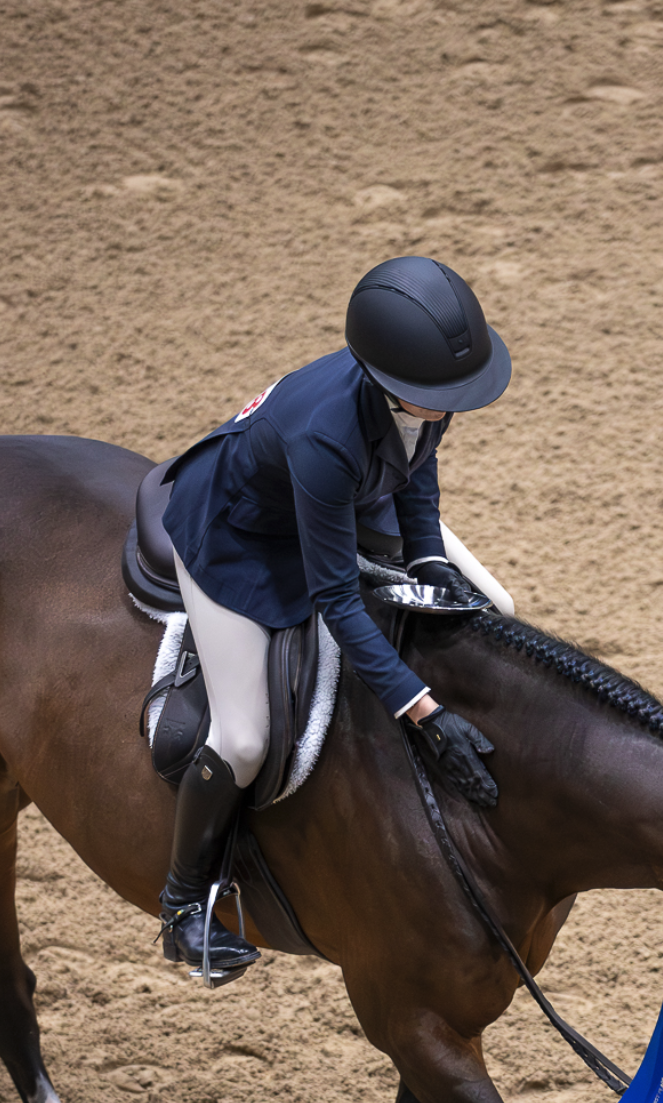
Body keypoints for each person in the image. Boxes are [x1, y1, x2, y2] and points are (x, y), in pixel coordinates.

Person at [156, 256, 510, 984]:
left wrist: (430, 564)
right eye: (437, 396)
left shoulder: (419, 398)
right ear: (390, 383)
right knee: (245, 738)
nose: (450, 407)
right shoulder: (325, 436)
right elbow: (337, 601)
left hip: (344, 498)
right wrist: (422, 710)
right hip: (239, 538)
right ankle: (183, 907)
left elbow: (416, 473)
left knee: (495, 607)